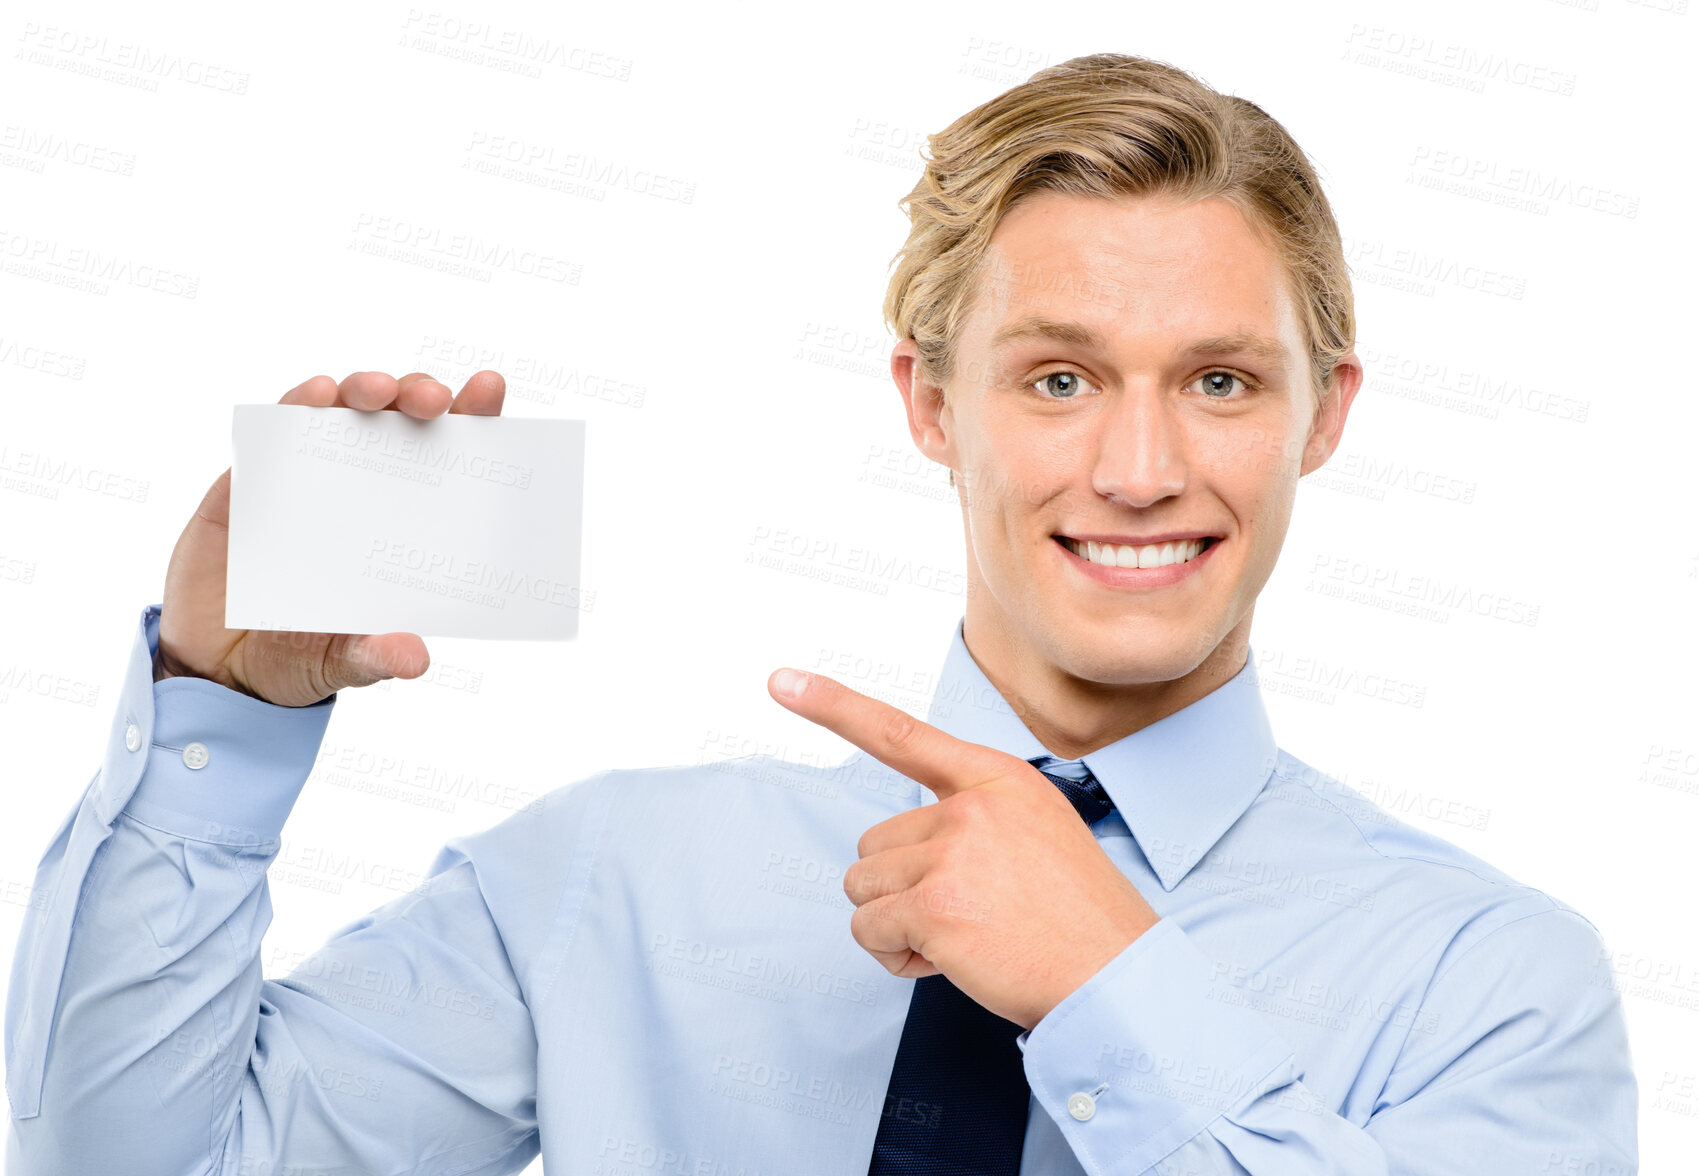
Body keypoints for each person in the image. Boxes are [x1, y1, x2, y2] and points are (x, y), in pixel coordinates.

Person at [5, 52, 1636, 1176]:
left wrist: (1111, 988)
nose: (1141, 468)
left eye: (1218, 381)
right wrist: (223, 713)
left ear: (1323, 415)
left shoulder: (1494, 982)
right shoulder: (605, 887)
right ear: (932, 405)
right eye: (1057, 377)